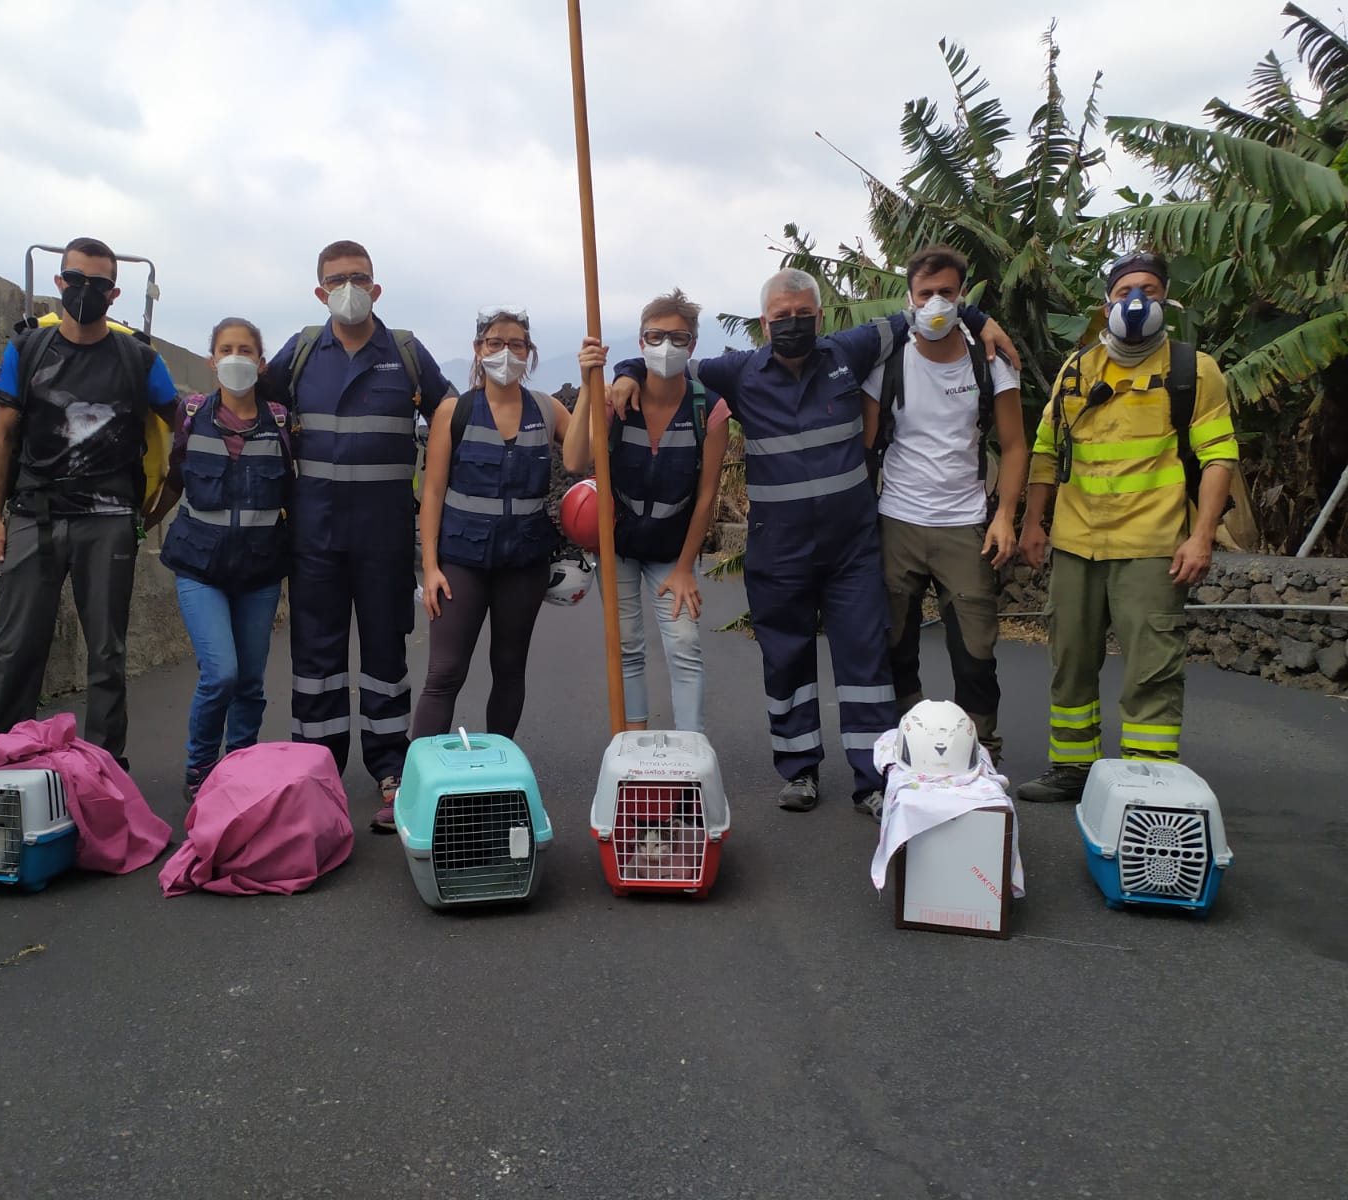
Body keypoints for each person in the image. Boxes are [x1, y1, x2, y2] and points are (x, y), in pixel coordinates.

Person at [608, 269, 1016, 820]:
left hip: (852, 550)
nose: (793, 325)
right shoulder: (739, 371)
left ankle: (871, 778)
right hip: (778, 551)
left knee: (865, 662)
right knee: (786, 660)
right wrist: (629, 368)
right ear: (763, 323)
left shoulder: (850, 350)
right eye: (782, 318)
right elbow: (675, 362)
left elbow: (922, 312)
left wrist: (977, 318)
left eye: (804, 315)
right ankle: (798, 770)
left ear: (820, 318)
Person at [1016, 251, 1236, 803]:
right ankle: (1072, 768)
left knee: (1152, 670)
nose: (1137, 301)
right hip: (1075, 542)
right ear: (1107, 302)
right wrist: (1032, 524)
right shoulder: (1077, 370)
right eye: (1125, 291)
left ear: (1166, 299)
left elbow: (1219, 458)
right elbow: (1046, 452)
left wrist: (1202, 535)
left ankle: (1149, 780)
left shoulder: (1194, 369)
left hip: (1153, 546)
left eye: (1150, 290)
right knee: (1070, 661)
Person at [266, 240, 455, 832]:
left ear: (377, 288)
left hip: (385, 539)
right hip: (315, 539)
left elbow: (450, 412)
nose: (348, 287)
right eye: (336, 279)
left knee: (384, 655)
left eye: (359, 277)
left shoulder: (403, 352)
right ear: (319, 291)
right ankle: (318, 767)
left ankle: (391, 768)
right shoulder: (299, 353)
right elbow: (251, 410)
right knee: (315, 659)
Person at [0, 236, 180, 767]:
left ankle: (103, 769)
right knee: (18, 649)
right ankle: (7, 762)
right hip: (32, 516)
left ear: (113, 295)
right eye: (76, 281)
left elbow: (182, 432)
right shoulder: (26, 349)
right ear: (59, 283)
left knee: (107, 657)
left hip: (109, 520)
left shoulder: (139, 359)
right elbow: (1, 436)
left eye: (97, 285)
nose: (84, 291)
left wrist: (155, 510)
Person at [862, 245, 1026, 764]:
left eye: (947, 293)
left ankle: (981, 752)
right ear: (909, 298)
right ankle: (907, 748)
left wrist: (1005, 516)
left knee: (976, 653)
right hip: (898, 522)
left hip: (966, 524)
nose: (936, 302)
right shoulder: (887, 360)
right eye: (926, 293)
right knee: (894, 648)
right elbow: (866, 446)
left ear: (962, 296)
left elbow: (1015, 445)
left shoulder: (989, 359)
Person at [563, 289, 730, 733]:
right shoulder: (617, 402)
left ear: (693, 344)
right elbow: (575, 460)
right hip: (616, 545)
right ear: (640, 342)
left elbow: (707, 494)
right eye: (655, 336)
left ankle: (691, 749)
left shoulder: (708, 410)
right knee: (626, 646)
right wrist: (588, 387)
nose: (666, 347)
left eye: (678, 338)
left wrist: (684, 569)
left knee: (685, 644)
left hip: (672, 552)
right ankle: (632, 741)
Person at [145, 318, 291, 805]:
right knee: (221, 673)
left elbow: (303, 493)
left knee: (250, 681)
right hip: (199, 567)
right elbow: (173, 480)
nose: (236, 358)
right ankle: (202, 768)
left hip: (259, 571)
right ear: (211, 359)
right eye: (226, 349)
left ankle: (241, 763)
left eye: (246, 350)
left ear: (261, 362)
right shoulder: (190, 413)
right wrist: (140, 525)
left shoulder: (282, 422)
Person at [409, 307, 572, 743]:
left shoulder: (547, 408)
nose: (505, 352)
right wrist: (429, 566)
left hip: (524, 562)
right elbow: (433, 492)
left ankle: (498, 771)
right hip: (461, 560)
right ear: (478, 351)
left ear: (529, 353)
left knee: (509, 667)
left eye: (516, 344)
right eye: (495, 343)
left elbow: (579, 458)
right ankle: (417, 780)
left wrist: (591, 385)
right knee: (444, 672)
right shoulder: (453, 411)